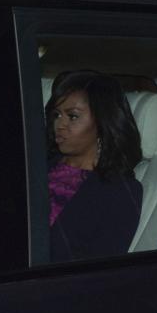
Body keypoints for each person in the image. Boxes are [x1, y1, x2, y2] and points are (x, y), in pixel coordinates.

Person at [46, 70, 143, 262]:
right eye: (56, 115)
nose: (60, 124)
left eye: (72, 116)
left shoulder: (118, 191)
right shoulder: (35, 166)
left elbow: (98, 271)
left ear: (102, 122)